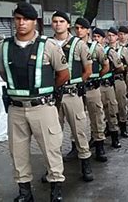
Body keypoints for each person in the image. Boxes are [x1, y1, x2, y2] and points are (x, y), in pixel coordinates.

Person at [0, 2, 68, 201]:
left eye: (26, 19)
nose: (21, 23)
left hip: (42, 107)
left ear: (34, 22)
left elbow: (63, 74)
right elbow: (4, 74)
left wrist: (46, 90)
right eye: (17, 19)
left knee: (51, 148)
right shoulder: (3, 47)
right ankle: (24, 192)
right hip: (16, 109)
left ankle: (56, 190)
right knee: (17, 152)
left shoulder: (49, 46)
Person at [51, 10, 94, 182]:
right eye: (55, 21)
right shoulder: (46, 44)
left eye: (62, 21)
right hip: (53, 97)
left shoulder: (79, 44)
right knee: (53, 134)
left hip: (71, 94)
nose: (58, 24)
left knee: (79, 131)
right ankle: (53, 170)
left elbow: (88, 70)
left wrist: (75, 84)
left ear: (67, 24)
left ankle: (85, 164)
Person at [74, 17, 110, 162]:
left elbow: (105, 65)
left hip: (91, 87)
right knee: (77, 119)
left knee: (96, 115)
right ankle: (76, 146)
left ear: (87, 30)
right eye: (76, 28)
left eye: (82, 28)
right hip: (77, 89)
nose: (79, 31)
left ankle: (99, 144)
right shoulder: (72, 46)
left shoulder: (96, 47)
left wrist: (96, 78)